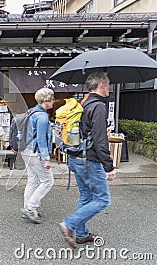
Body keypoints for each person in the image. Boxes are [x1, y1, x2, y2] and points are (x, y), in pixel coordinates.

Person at [58, 72, 117, 248]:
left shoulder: (83, 103)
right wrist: (109, 166)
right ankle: (69, 224)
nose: (109, 88)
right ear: (101, 85)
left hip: (75, 157)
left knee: (86, 196)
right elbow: (100, 140)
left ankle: (81, 234)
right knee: (102, 199)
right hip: (89, 160)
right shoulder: (98, 106)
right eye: (108, 84)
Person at [21, 87, 55, 224]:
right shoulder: (42, 116)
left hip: (26, 150)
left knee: (33, 180)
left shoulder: (31, 111)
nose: (54, 102)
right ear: (46, 100)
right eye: (52, 99)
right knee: (48, 181)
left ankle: (27, 208)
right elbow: (41, 139)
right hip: (35, 153)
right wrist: (46, 158)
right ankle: (30, 208)